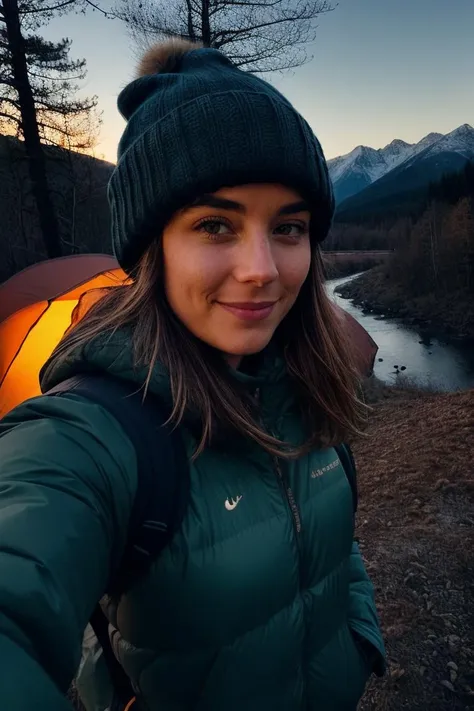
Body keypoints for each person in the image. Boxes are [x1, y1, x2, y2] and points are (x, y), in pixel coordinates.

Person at [0, 39, 385, 711]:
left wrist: (359, 635)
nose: (262, 267)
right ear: (154, 249)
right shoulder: (97, 432)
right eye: (215, 224)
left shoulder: (306, 377)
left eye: (289, 227)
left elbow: (334, 544)